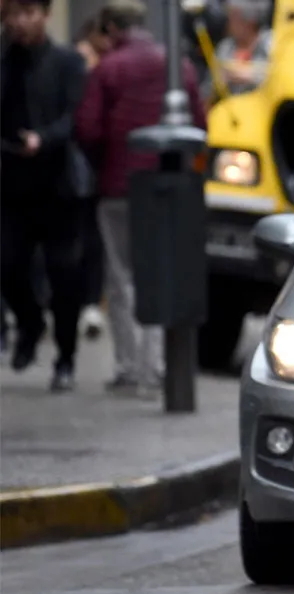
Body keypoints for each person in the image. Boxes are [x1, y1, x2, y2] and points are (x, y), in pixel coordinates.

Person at [75, 0, 208, 396]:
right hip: (168, 189)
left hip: (118, 186)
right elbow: (199, 123)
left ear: (113, 30)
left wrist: (102, 166)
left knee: (121, 278)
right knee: (159, 273)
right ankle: (158, 366)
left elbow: (88, 128)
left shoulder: (108, 68)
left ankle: (130, 367)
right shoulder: (178, 67)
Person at [0, 0, 89, 391]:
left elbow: (76, 116)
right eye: (12, 15)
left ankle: (65, 358)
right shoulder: (4, 61)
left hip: (57, 186)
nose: (20, 23)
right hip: (10, 184)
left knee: (63, 275)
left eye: (28, 13)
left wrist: (45, 139)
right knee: (7, 265)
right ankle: (30, 322)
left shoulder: (67, 62)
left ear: (45, 14)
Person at [74, 14, 109, 341]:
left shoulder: (107, 72)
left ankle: (90, 302)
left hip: (93, 172)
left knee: (92, 241)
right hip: (78, 169)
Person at [213, 0, 271, 95]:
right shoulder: (225, 48)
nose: (229, 22)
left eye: (234, 17)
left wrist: (251, 75)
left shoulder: (271, 43)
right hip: (230, 106)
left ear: (250, 21)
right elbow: (208, 90)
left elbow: (283, 74)